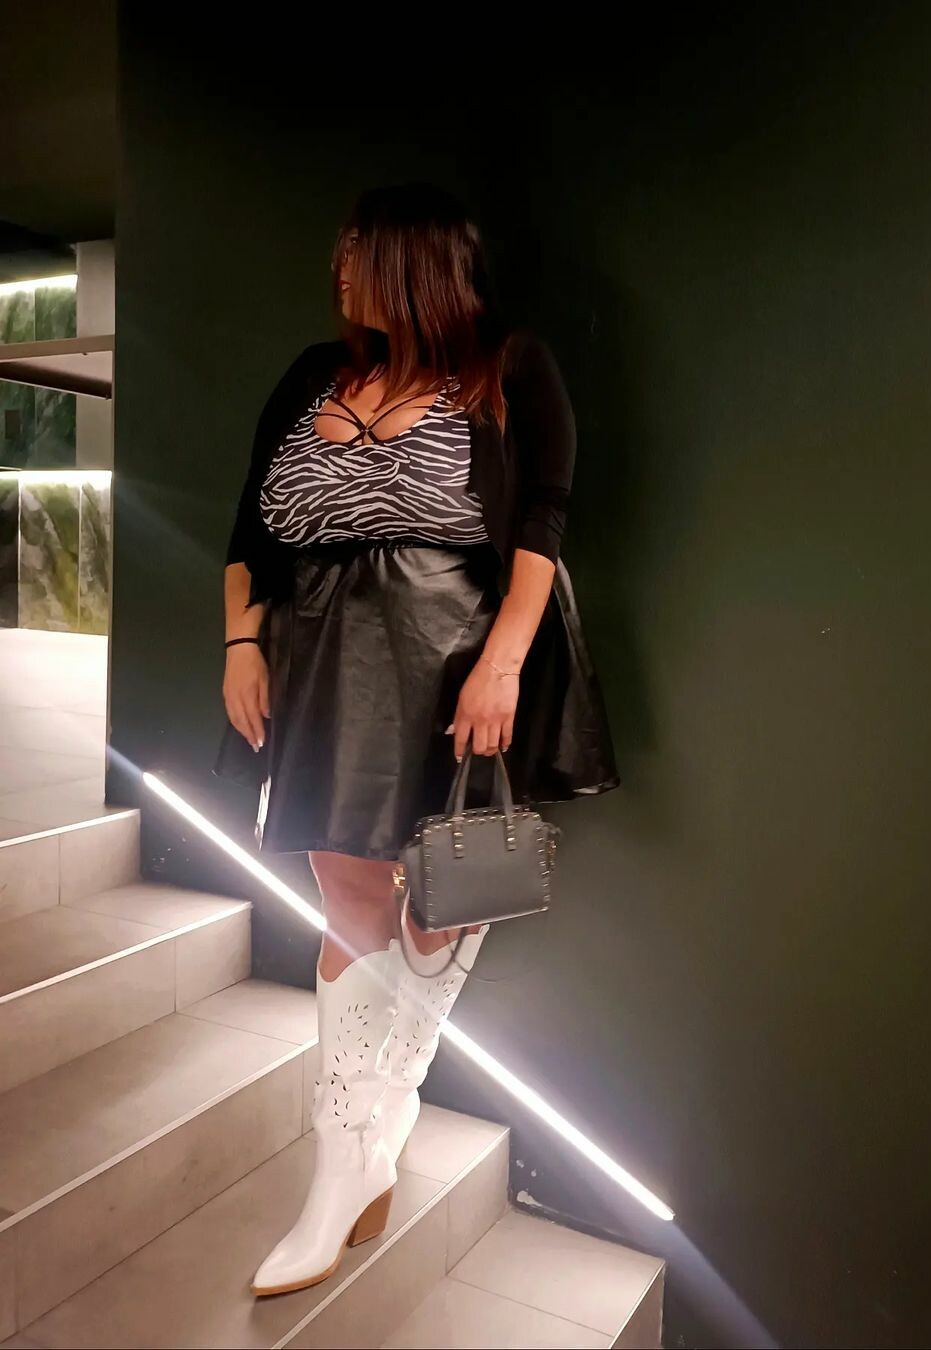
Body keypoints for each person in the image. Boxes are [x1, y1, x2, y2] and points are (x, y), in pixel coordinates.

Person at [215, 183, 618, 1297]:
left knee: (447, 893)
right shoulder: (314, 372)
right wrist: (240, 644)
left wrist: (504, 663)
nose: (339, 269)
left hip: (450, 654)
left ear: (414, 262)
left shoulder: (509, 366)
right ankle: (351, 1161)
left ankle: (367, 1135)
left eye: (358, 252)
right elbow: (249, 524)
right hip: (319, 659)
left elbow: (541, 525)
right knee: (344, 890)